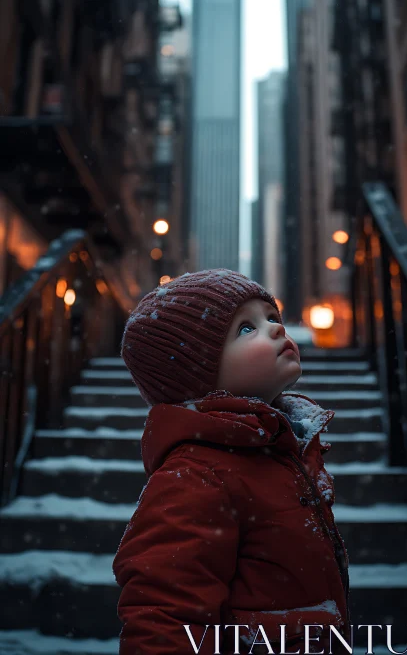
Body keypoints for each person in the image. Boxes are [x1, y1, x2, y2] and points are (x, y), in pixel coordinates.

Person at [112, 269, 350, 655]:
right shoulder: (196, 474)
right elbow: (163, 614)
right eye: (246, 329)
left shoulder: (277, 446)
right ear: (197, 376)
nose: (276, 329)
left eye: (272, 318)